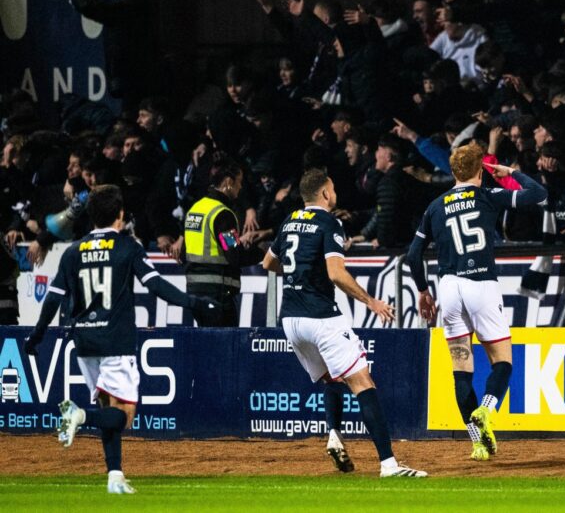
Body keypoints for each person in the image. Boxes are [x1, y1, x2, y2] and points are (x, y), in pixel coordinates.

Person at [22, 185, 217, 494]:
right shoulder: (128, 247)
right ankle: (79, 415)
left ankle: (114, 476)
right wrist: (193, 303)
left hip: (84, 343)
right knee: (123, 416)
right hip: (115, 339)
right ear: (121, 215)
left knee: (107, 409)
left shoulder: (74, 252)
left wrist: (37, 334)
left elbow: (54, 298)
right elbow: (155, 286)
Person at [262, 169, 427, 478]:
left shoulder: (289, 221)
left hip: (292, 321)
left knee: (333, 379)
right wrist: (372, 302)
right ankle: (389, 465)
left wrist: (301, 273)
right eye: (334, 187)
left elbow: (268, 263)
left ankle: (335, 436)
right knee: (364, 382)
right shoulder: (329, 222)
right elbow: (336, 273)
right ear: (325, 194)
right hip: (321, 316)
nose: (335, 193)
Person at [406, 144, 547, 461]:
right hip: (481, 285)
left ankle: (478, 443)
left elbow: (413, 255)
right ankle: (486, 410)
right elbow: (537, 194)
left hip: (449, 289)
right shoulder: (488, 196)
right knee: (502, 362)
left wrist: (422, 291)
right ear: (480, 170)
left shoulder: (435, 207)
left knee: (461, 370)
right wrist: (510, 172)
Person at [183, 154, 263, 326]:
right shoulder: (222, 214)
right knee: (225, 349)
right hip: (218, 293)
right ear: (228, 182)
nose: (241, 187)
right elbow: (234, 255)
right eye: (239, 181)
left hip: (194, 291)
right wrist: (262, 253)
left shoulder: (195, 209)